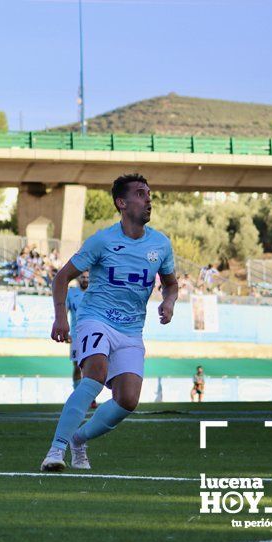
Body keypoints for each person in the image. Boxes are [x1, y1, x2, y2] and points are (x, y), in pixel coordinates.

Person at [40, 173, 178, 472]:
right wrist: (61, 316)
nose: (148, 199)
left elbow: (171, 284)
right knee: (95, 375)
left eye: (148, 193)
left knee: (128, 400)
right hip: (95, 319)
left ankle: (78, 439)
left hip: (131, 330)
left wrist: (168, 301)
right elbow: (62, 277)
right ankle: (56, 450)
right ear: (122, 203)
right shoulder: (102, 240)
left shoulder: (161, 245)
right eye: (141, 193)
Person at [66, 271, 96, 409]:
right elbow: (65, 311)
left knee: (91, 366)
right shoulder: (71, 293)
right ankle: (78, 396)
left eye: (87, 277)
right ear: (78, 278)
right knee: (77, 366)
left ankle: (90, 398)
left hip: (94, 335)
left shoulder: (95, 292)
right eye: (83, 277)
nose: (85, 279)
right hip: (76, 335)